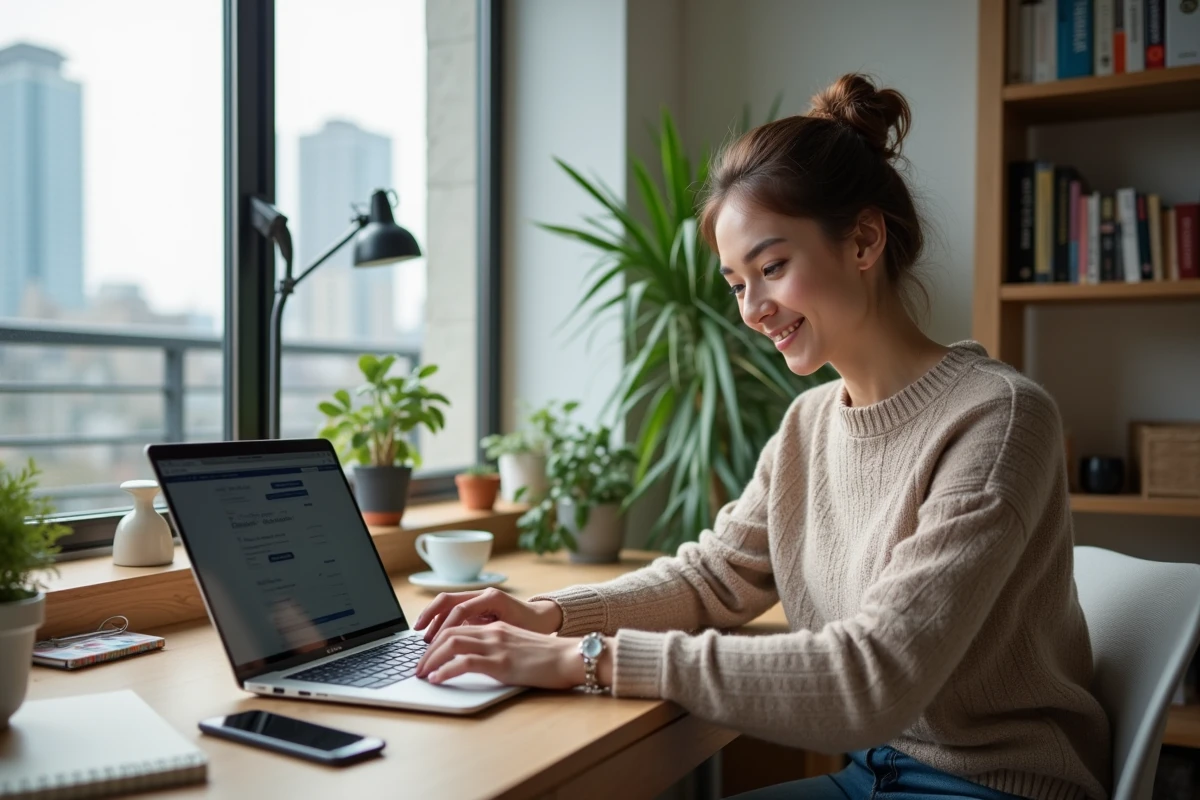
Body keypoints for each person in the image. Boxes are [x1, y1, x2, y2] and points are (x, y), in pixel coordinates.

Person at [413, 73, 1111, 800]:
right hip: (872, 773)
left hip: (992, 788)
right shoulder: (808, 426)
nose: (753, 309)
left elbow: (872, 679)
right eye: (737, 282)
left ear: (865, 239)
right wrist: (550, 615)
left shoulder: (997, 419)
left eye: (772, 267)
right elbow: (713, 578)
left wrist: (583, 658)